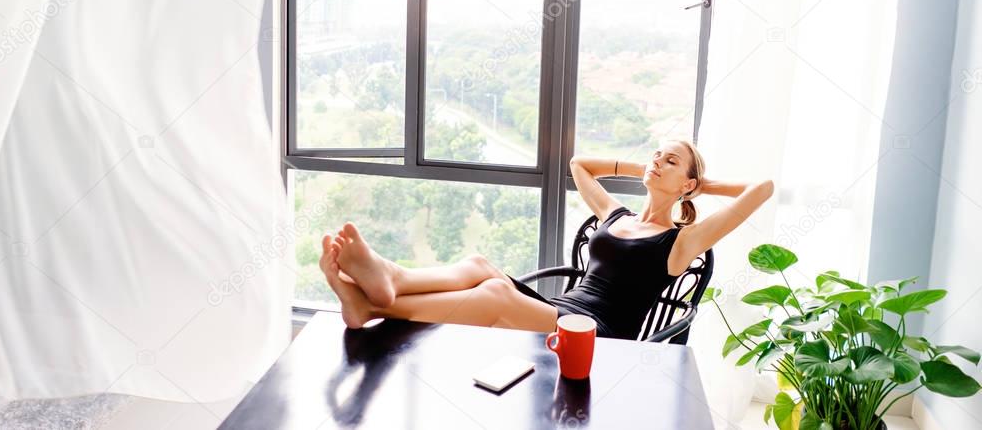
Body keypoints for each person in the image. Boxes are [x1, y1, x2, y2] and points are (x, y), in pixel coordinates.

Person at [318, 139, 774, 339]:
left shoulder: (680, 242)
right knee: (478, 263)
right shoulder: (616, 216)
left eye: (669, 161)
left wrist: (702, 184)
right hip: (561, 310)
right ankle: (391, 278)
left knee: (495, 291)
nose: (657, 161)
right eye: (657, 154)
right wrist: (647, 168)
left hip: (597, 334)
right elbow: (580, 165)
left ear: (688, 185)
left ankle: (376, 305)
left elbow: (763, 189)